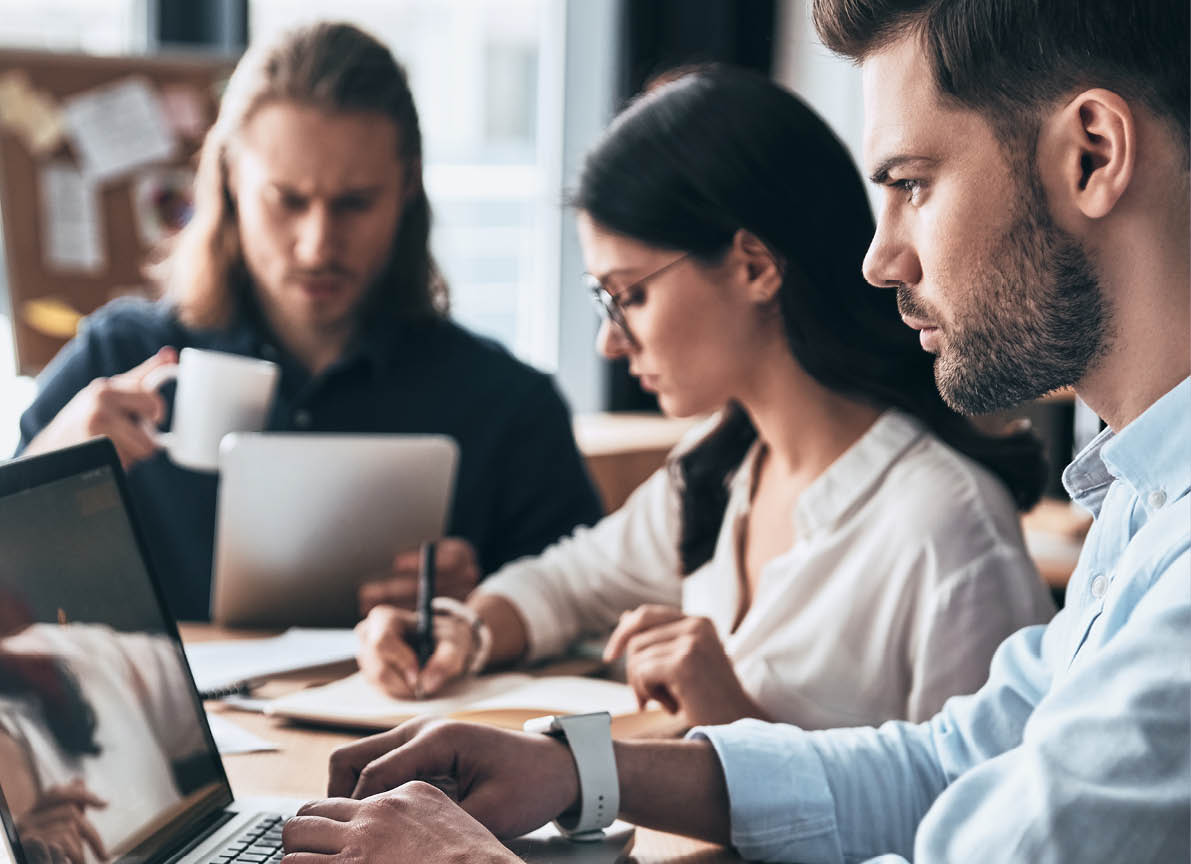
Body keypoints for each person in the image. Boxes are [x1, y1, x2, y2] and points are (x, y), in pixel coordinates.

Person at [279, 0, 1190, 861]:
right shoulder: (1140, 501)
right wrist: (574, 768)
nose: (879, 259)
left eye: (913, 183)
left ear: (1090, 154)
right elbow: (953, 764)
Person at [354, 63, 1054, 733]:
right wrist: (464, 631)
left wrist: (732, 719)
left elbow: (987, 824)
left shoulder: (946, 532)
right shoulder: (720, 472)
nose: (610, 342)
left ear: (753, 266)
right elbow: (566, 583)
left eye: (629, 296)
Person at [14, 22, 602, 622]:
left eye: (355, 203)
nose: (318, 245)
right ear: (230, 181)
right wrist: (43, 475)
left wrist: (487, 613)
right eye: (288, 201)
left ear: (407, 187)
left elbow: (589, 623)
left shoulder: (508, 407)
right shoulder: (118, 358)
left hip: (409, 714)